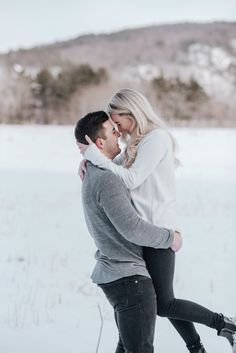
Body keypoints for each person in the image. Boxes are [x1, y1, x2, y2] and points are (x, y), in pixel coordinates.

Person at [77, 88, 236, 353]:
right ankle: (200, 345)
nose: (118, 129)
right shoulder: (134, 145)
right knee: (163, 302)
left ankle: (225, 325)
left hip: (159, 231)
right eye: (113, 126)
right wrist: (87, 161)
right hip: (145, 234)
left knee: (164, 304)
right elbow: (109, 163)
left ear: (133, 113)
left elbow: (130, 178)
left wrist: (92, 156)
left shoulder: (156, 138)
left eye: (118, 123)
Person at [74, 110, 182, 353]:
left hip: (118, 277)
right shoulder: (107, 179)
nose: (119, 135)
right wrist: (170, 238)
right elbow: (132, 228)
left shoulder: (94, 172)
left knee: (128, 347)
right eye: (113, 132)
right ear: (100, 143)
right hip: (129, 280)